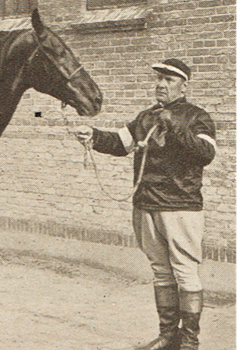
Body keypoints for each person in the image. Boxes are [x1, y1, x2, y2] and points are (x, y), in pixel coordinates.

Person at [72, 58, 216, 350]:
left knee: (185, 271)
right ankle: (168, 335)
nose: (161, 85)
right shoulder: (145, 117)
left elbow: (205, 154)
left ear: (184, 85)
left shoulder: (197, 116)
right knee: (161, 271)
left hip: (180, 206)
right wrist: (94, 136)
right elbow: (120, 143)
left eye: (169, 80)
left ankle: (189, 342)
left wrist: (175, 127)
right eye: (159, 79)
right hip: (146, 203)